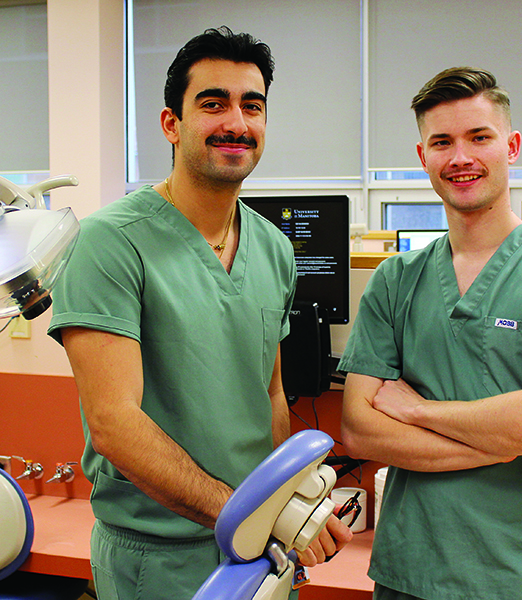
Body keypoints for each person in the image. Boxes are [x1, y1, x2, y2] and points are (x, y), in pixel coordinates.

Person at [48, 27, 351, 600]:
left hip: (254, 550)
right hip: (156, 554)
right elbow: (115, 424)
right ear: (171, 123)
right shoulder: (110, 243)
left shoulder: (274, 247)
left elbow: (271, 398)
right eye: (212, 103)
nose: (235, 122)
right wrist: (246, 518)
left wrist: (291, 510)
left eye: (251, 105)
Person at [338, 67, 522, 600]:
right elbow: (360, 430)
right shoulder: (396, 281)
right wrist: (505, 437)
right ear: (422, 156)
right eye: (441, 142)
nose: (461, 158)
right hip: (410, 570)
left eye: (479, 137)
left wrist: (416, 410)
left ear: (512, 146)